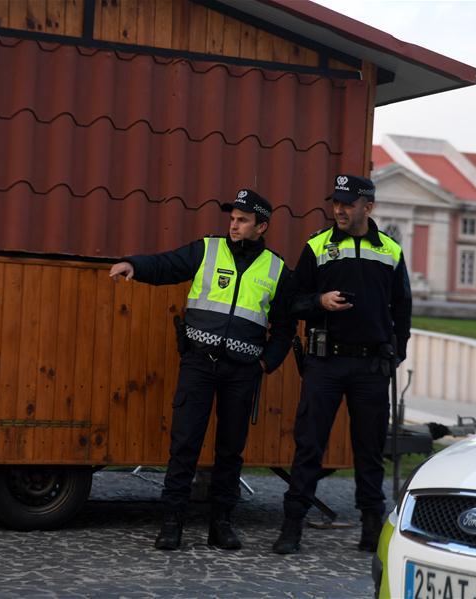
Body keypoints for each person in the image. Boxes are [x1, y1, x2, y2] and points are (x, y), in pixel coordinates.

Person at [109, 189, 295, 551]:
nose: (234, 226)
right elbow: (167, 265)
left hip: (242, 372)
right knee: (184, 445)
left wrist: (266, 363)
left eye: (243, 220)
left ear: (262, 226)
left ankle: (221, 526)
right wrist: (135, 265)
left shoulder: (276, 269)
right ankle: (171, 524)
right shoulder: (207, 250)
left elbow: (285, 327)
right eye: (232, 219)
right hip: (199, 363)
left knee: (230, 452)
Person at [272, 174, 412, 554]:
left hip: (371, 368)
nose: (338, 209)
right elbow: (291, 302)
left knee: (369, 451)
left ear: (368, 207)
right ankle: (291, 527)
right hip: (325, 364)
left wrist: (394, 353)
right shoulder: (317, 247)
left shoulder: (391, 251)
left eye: (347, 203)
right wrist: (319, 302)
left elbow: (403, 311)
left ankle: (371, 530)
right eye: (335, 202)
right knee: (309, 447)